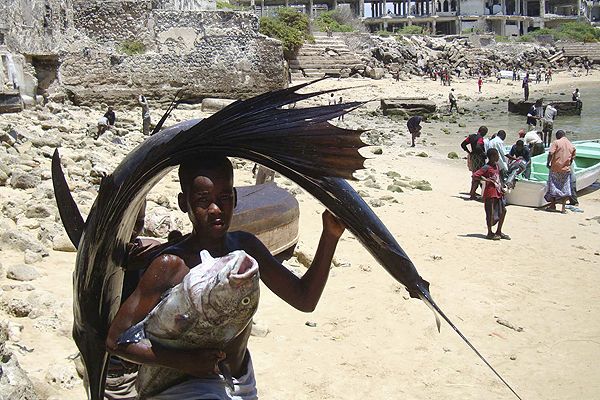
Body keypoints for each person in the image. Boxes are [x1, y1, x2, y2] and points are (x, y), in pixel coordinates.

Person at [106, 155, 345, 399]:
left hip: (241, 382)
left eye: (224, 198)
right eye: (203, 200)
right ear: (182, 202)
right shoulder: (170, 265)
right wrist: (184, 362)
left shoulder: (244, 248)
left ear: (236, 198)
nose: (216, 209)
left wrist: (330, 235)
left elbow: (304, 299)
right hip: (181, 387)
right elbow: (115, 340)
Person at [472, 148, 510, 240]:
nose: (498, 157)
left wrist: (501, 187)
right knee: (490, 213)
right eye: (497, 155)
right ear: (492, 156)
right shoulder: (486, 167)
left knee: (503, 211)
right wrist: (486, 180)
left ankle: (498, 231)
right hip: (490, 193)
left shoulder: (496, 166)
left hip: (498, 192)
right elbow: (475, 175)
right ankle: (489, 232)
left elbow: (498, 178)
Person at [544, 130, 576, 213]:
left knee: (553, 186)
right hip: (566, 169)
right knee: (565, 188)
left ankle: (553, 205)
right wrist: (568, 165)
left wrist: (548, 163)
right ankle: (563, 208)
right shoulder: (571, 144)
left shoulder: (556, 142)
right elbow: (572, 158)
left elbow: (551, 153)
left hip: (555, 168)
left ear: (558, 136)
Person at [461, 125, 488, 200]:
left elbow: (463, 144)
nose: (485, 135)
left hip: (473, 157)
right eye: (485, 133)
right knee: (479, 175)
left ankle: (473, 192)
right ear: (482, 131)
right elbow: (478, 146)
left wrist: (469, 152)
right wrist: (483, 154)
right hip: (479, 158)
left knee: (475, 175)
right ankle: (473, 193)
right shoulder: (480, 138)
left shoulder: (471, 136)